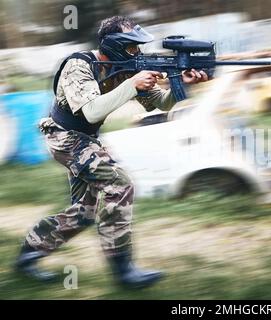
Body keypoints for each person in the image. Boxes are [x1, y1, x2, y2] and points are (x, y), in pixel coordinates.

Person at [15, 16, 208, 288]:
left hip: (86, 138)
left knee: (84, 212)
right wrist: (132, 84)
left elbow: (162, 104)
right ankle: (124, 271)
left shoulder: (127, 67)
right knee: (120, 185)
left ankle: (29, 254)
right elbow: (92, 111)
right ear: (114, 45)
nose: (137, 53)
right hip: (64, 136)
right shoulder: (78, 65)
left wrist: (183, 83)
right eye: (132, 47)